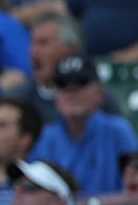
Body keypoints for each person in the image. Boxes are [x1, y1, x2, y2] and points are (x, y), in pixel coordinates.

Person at [29, 55, 138, 195]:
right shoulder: (47, 136)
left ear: (101, 94)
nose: (71, 92)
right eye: (62, 85)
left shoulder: (118, 131)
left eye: (81, 83)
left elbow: (133, 193)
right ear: (55, 98)